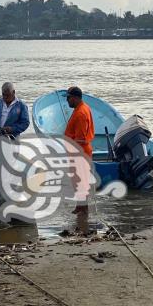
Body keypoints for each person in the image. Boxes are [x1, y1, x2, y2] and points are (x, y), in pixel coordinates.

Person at [63, 86, 95, 218]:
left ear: (75, 98)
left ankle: (84, 208)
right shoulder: (82, 108)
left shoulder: (81, 113)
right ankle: (80, 206)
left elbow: (81, 138)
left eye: (69, 98)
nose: (67, 101)